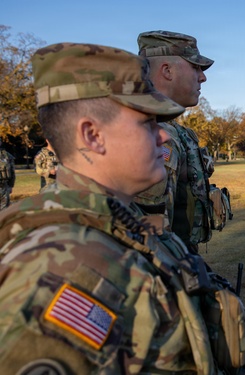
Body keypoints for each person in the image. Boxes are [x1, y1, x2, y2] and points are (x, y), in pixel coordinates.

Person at [0, 42, 221, 374]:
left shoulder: (116, 223)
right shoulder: (61, 271)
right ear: (92, 136)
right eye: (147, 123)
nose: (162, 136)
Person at [135, 30, 231, 251]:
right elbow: (151, 236)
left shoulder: (175, 131)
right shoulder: (152, 135)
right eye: (195, 67)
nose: (202, 77)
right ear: (167, 70)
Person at [0, 138, 15, 210]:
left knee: (4, 211)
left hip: (4, 187)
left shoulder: (7, 155)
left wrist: (11, 186)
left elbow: (12, 172)